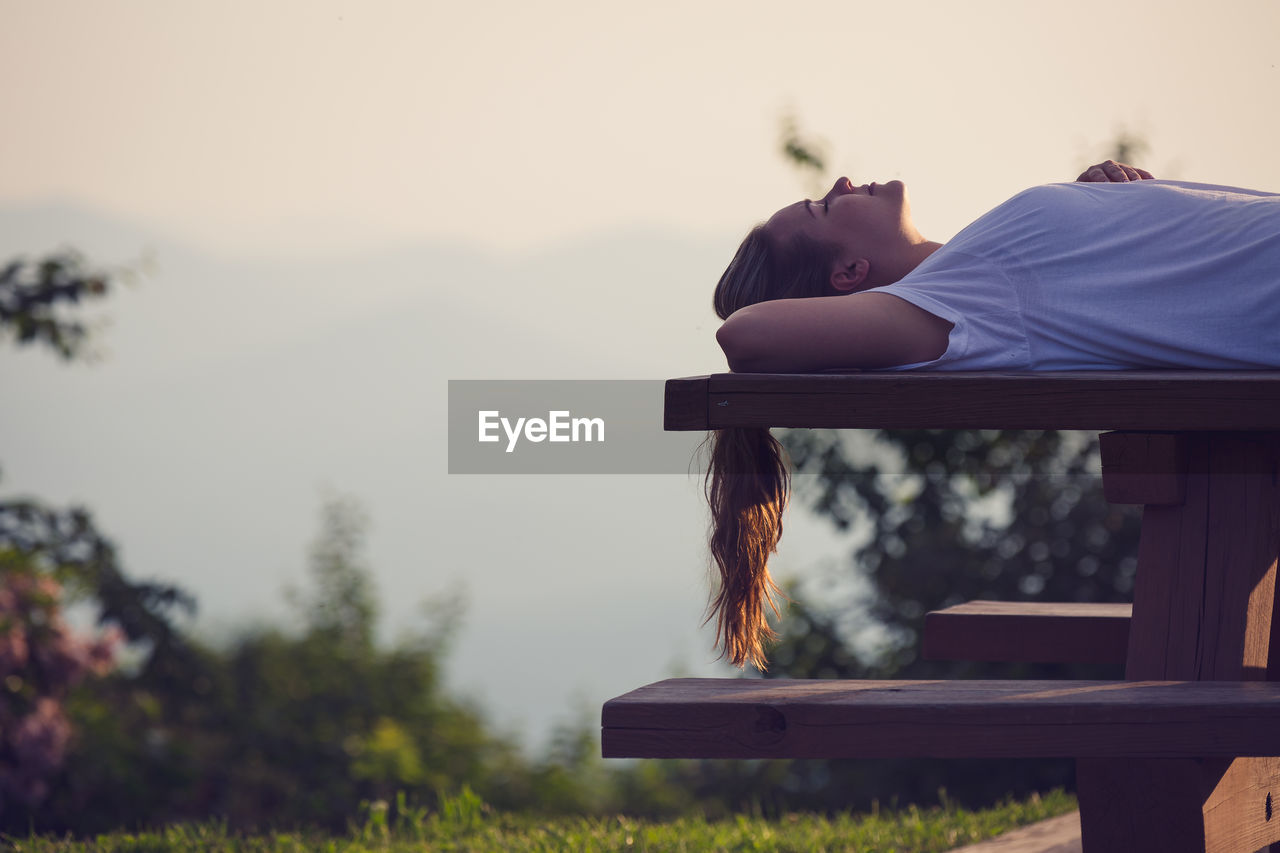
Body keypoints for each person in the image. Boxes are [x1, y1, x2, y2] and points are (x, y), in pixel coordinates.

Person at [704, 161, 1280, 670]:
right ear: (851, 273)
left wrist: (1105, 217)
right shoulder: (962, 298)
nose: (842, 182)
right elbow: (744, 336)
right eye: (826, 206)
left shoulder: (974, 284)